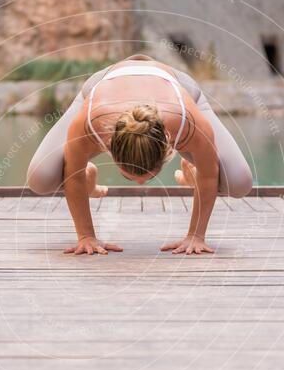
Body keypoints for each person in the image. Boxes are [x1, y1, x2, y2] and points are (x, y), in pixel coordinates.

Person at [26, 54, 253, 255]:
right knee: (40, 179)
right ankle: (89, 172)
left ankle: (190, 172)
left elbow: (210, 174)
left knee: (240, 183)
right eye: (128, 176)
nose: (142, 182)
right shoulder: (91, 123)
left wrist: (196, 236)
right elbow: (73, 177)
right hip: (105, 84)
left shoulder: (187, 122)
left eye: (149, 176)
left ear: (168, 149)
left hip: (175, 85)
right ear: (110, 149)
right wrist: (86, 237)